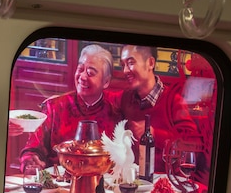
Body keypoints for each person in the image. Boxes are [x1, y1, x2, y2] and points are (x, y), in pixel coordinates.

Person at [19, 44, 123, 170]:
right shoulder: (54, 107)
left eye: (90, 73)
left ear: (106, 81)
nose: (82, 77)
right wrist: (30, 162)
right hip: (59, 184)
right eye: (80, 69)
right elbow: (31, 149)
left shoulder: (116, 110)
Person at [118, 45, 207, 183]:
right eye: (123, 64)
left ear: (150, 63)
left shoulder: (174, 102)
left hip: (166, 185)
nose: (125, 70)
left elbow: (194, 144)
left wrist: (155, 134)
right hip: (133, 181)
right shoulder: (126, 98)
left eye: (130, 63)